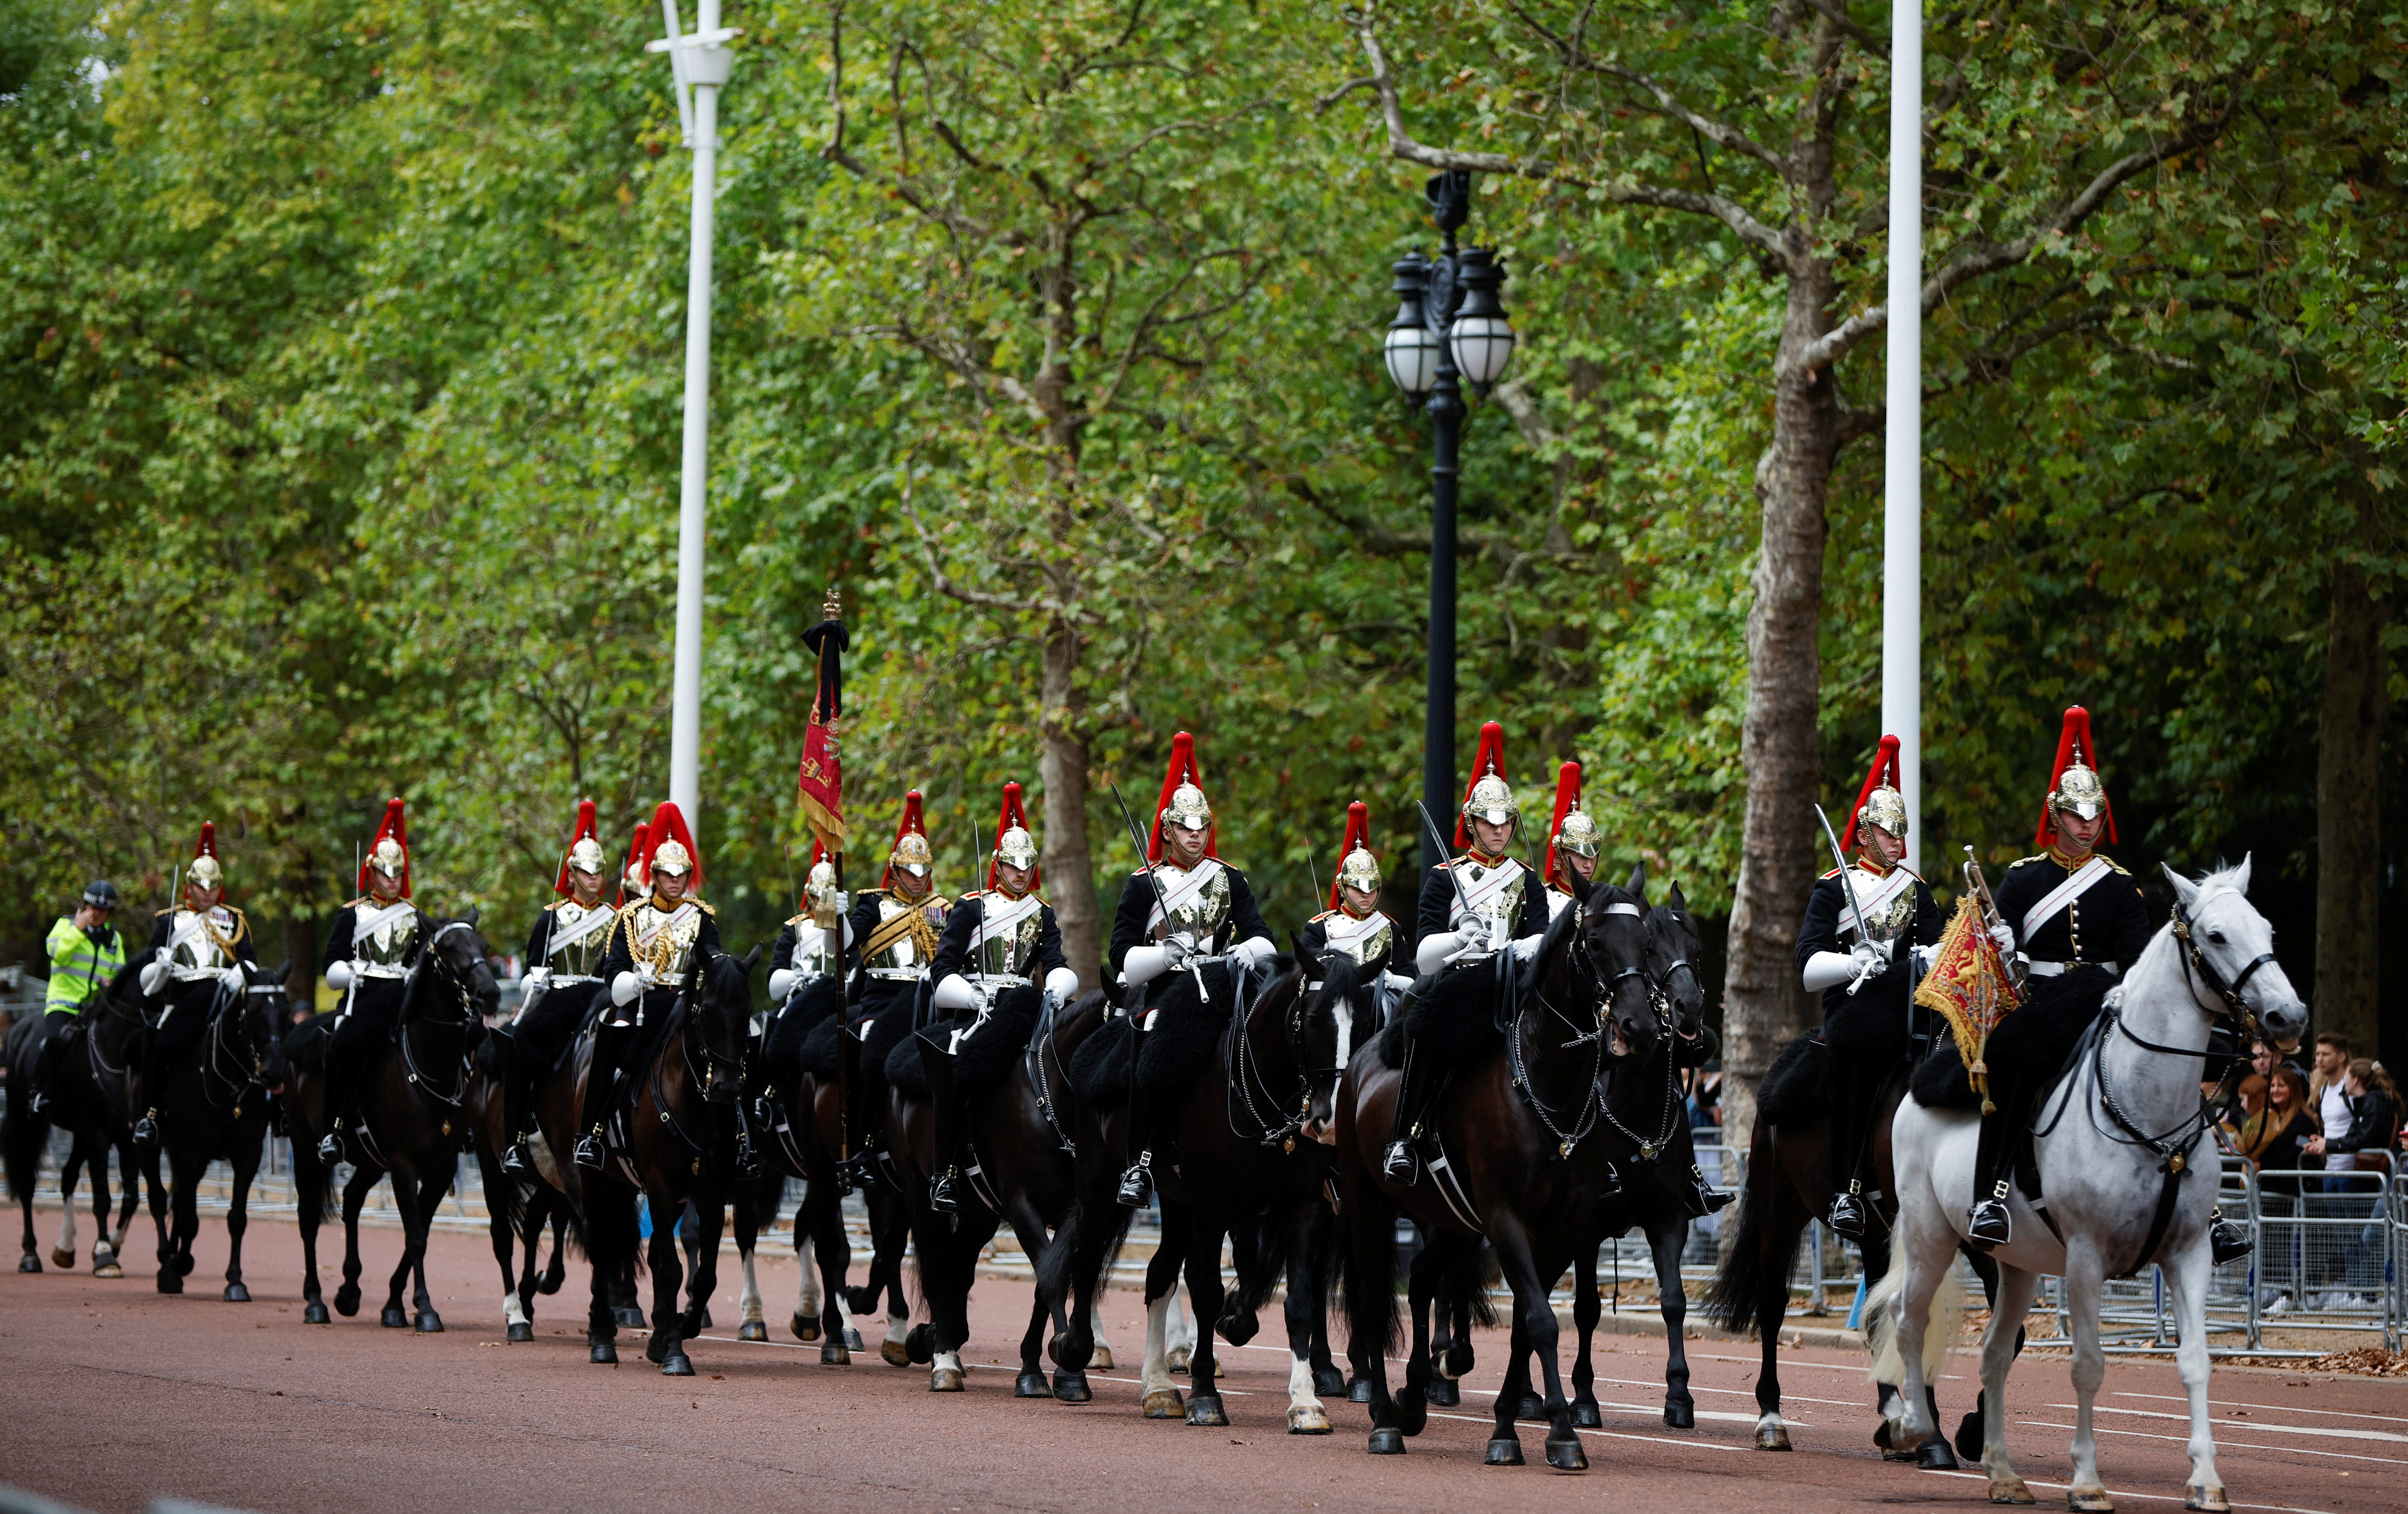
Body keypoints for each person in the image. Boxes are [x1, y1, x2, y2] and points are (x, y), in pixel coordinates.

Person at [1107, 731, 1274, 1207]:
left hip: (1226, 983)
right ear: (1168, 830)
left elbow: (1259, 932)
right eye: (1186, 827)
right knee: (1152, 1031)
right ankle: (1139, 1162)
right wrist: (1163, 955)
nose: (1196, 835)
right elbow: (1120, 955)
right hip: (1166, 989)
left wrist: (1249, 950)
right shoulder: (1144, 884)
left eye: (1202, 826)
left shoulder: (1229, 877)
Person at [1384, 720, 1549, 1185]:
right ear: (1471, 824)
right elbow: (1423, 956)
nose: (1498, 832)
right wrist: (1460, 939)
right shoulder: (1444, 877)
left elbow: (1542, 936)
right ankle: (1405, 1137)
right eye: (1488, 823)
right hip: (1461, 979)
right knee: (1431, 1025)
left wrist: (1516, 946)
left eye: (1505, 823)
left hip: (1515, 981)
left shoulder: (1526, 879)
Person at [1794, 734, 1943, 1240]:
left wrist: (1925, 957)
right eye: (1887, 831)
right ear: (1864, 835)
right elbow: (1807, 964)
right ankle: (1845, 1191)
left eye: (1901, 832)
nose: (1897, 841)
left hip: (1909, 1005)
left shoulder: (1916, 890)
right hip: (1854, 1005)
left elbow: (1940, 948)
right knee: (1854, 1058)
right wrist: (1852, 960)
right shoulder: (1833, 886)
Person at [921, 781, 1077, 1212]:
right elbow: (942, 969)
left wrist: (1059, 986)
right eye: (1013, 866)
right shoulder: (971, 907)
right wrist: (969, 996)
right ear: (998, 865)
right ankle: (945, 1174)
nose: (1021, 873)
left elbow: (1057, 961)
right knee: (955, 1066)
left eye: (1028, 866)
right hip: (977, 1010)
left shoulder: (1042, 912)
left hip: (1025, 1010)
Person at [577, 802, 721, 1170]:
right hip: (645, 1004)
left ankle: (742, 1138)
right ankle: (591, 1133)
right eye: (667, 874)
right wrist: (634, 981)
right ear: (654, 875)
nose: (675, 881)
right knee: (610, 1039)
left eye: (681, 874)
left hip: (689, 1007)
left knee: (733, 1050)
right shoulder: (632, 917)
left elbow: (715, 963)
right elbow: (614, 971)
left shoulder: (702, 919)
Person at [500, 800, 618, 1176]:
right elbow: (535, 964)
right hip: (558, 998)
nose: (594, 879)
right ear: (572, 874)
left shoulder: (614, 919)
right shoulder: (552, 917)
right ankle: (516, 1139)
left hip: (597, 997)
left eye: (599, 872)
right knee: (521, 1043)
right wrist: (534, 978)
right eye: (586, 872)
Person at [134, 826, 259, 1145]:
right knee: (158, 1045)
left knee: (263, 1043)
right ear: (189, 885)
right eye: (200, 887)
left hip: (226, 997)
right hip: (184, 999)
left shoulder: (234, 920)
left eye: (213, 887)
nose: (206, 893)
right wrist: (159, 965)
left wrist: (240, 974)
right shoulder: (169, 921)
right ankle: (148, 1114)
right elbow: (146, 979)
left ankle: (270, 1110)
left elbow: (250, 961)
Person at [317, 800, 419, 1162]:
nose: (391, 881)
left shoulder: (414, 916)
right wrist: (350, 971)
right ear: (372, 872)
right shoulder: (353, 913)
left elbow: (421, 958)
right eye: (385, 874)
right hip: (364, 997)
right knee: (342, 1047)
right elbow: (331, 962)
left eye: (397, 874)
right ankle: (333, 1130)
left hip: (404, 997)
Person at [29, 881, 126, 1116]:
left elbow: (119, 970)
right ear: (84, 906)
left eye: (102, 911)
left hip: (94, 1005)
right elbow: (58, 955)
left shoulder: (114, 939)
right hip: (63, 1002)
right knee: (55, 1039)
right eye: (92, 908)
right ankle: (38, 1091)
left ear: (109, 913)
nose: (96, 914)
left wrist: (111, 982)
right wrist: (78, 930)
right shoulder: (65, 925)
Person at [2231, 1065, 2317, 1197]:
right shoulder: (2266, 1117)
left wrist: (2263, 1165)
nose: (2275, 1090)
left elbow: (2293, 1152)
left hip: (2292, 1189)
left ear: (2293, 1090)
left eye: (2281, 1086)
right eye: (2272, 1086)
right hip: (2268, 1186)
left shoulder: (2303, 1119)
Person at [1540, 760, 1601, 922]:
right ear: (1560, 856)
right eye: (1580, 856)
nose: (1588, 864)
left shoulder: (1602, 901)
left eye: (1592, 856)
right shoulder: (1539, 900)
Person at [2309, 1032, 2354, 1194]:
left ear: (2342, 1057)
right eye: (2318, 1054)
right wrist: (2321, 1141)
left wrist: (2328, 1144)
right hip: (2330, 1169)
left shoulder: (2351, 1087)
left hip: (2353, 1172)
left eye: (2326, 1054)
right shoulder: (2324, 1090)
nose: (2319, 1059)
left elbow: (2362, 1131)